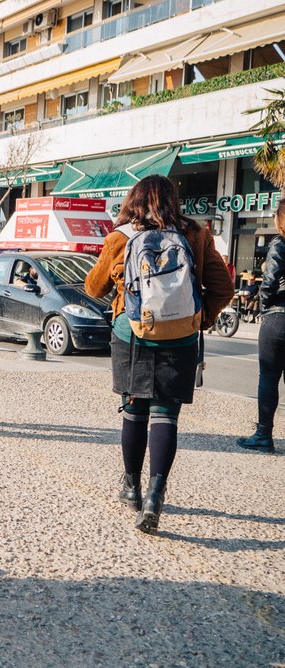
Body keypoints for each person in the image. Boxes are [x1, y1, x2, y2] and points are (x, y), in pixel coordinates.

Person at [85, 176, 233, 534]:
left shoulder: (121, 237)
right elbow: (223, 288)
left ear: (133, 200)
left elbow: (93, 287)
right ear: (173, 200)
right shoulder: (195, 234)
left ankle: (131, 487)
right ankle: (155, 495)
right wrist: (199, 320)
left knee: (134, 411)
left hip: (131, 334)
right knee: (165, 415)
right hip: (180, 338)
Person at [237, 199, 285, 453]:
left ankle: (264, 434)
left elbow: (270, 281)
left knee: (269, 376)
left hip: (279, 316)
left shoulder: (280, 242)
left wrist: (265, 307)